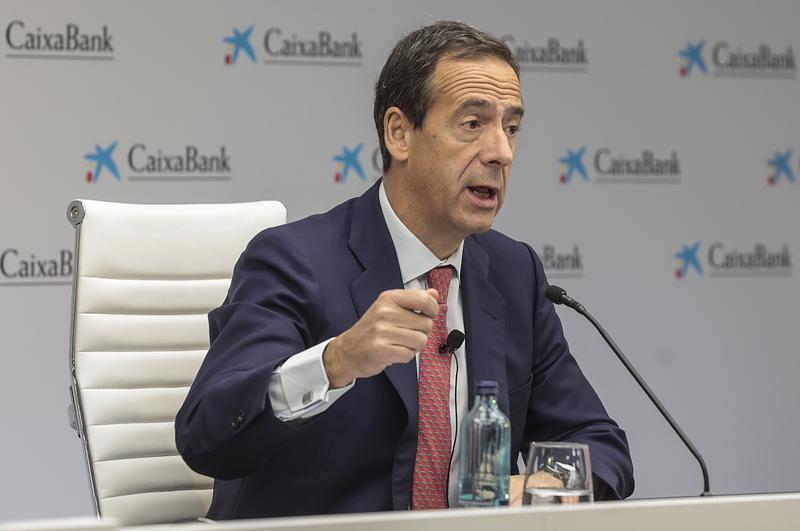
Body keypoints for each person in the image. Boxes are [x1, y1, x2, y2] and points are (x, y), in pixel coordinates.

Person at [175, 20, 634, 519]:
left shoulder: (513, 273)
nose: (501, 152)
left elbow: (599, 443)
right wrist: (335, 362)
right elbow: (207, 436)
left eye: (511, 128)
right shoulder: (294, 261)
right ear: (399, 134)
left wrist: (547, 484)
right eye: (473, 124)